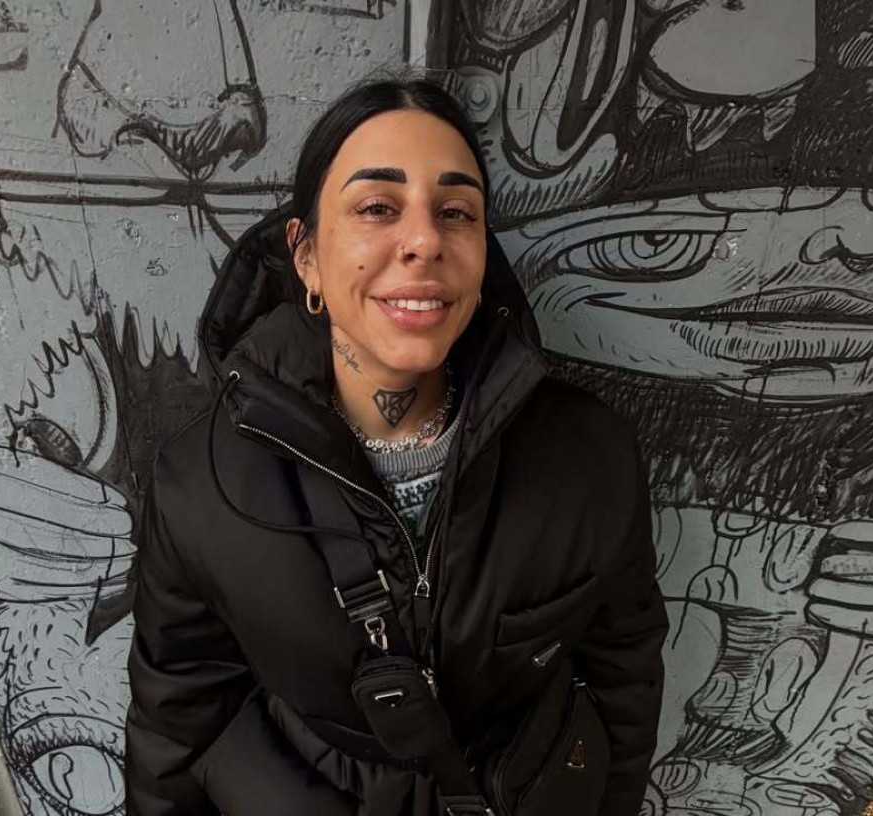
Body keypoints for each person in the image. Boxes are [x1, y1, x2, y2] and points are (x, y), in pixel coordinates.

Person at [124, 77, 668, 816]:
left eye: (456, 212)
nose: (424, 241)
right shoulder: (202, 484)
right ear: (307, 256)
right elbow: (177, 721)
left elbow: (622, 673)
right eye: (378, 208)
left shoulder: (589, 458)